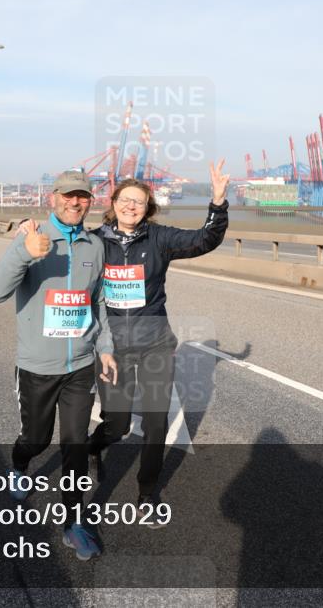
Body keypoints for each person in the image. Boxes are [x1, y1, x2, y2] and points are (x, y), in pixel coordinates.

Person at [0, 169, 118, 561]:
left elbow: (99, 302)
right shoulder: (33, 238)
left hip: (79, 366)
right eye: (68, 196)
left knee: (75, 445)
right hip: (37, 367)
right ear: (53, 198)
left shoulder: (95, 246)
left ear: (90, 201)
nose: (75, 202)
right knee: (37, 440)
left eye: (82, 197)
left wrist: (105, 347)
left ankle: (73, 523)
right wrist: (23, 251)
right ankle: (19, 466)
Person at [87, 160, 229, 523]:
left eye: (139, 202)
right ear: (114, 202)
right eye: (125, 200)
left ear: (147, 208)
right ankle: (94, 447)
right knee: (116, 424)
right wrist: (27, 232)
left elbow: (204, 240)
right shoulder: (94, 242)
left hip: (155, 344)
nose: (131, 206)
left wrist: (217, 201)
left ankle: (147, 492)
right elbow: (61, 250)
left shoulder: (160, 238)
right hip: (112, 347)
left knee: (155, 423)